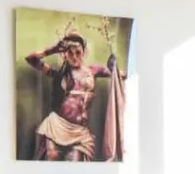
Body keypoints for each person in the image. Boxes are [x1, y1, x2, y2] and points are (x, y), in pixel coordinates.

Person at [25, 32, 126, 162]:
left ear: (84, 53)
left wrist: (114, 67)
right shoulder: (59, 74)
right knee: (51, 158)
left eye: (78, 52)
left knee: (76, 162)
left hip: (80, 133)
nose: (74, 57)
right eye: (70, 53)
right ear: (65, 55)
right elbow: (31, 59)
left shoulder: (93, 71)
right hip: (57, 126)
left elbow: (122, 75)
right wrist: (52, 50)